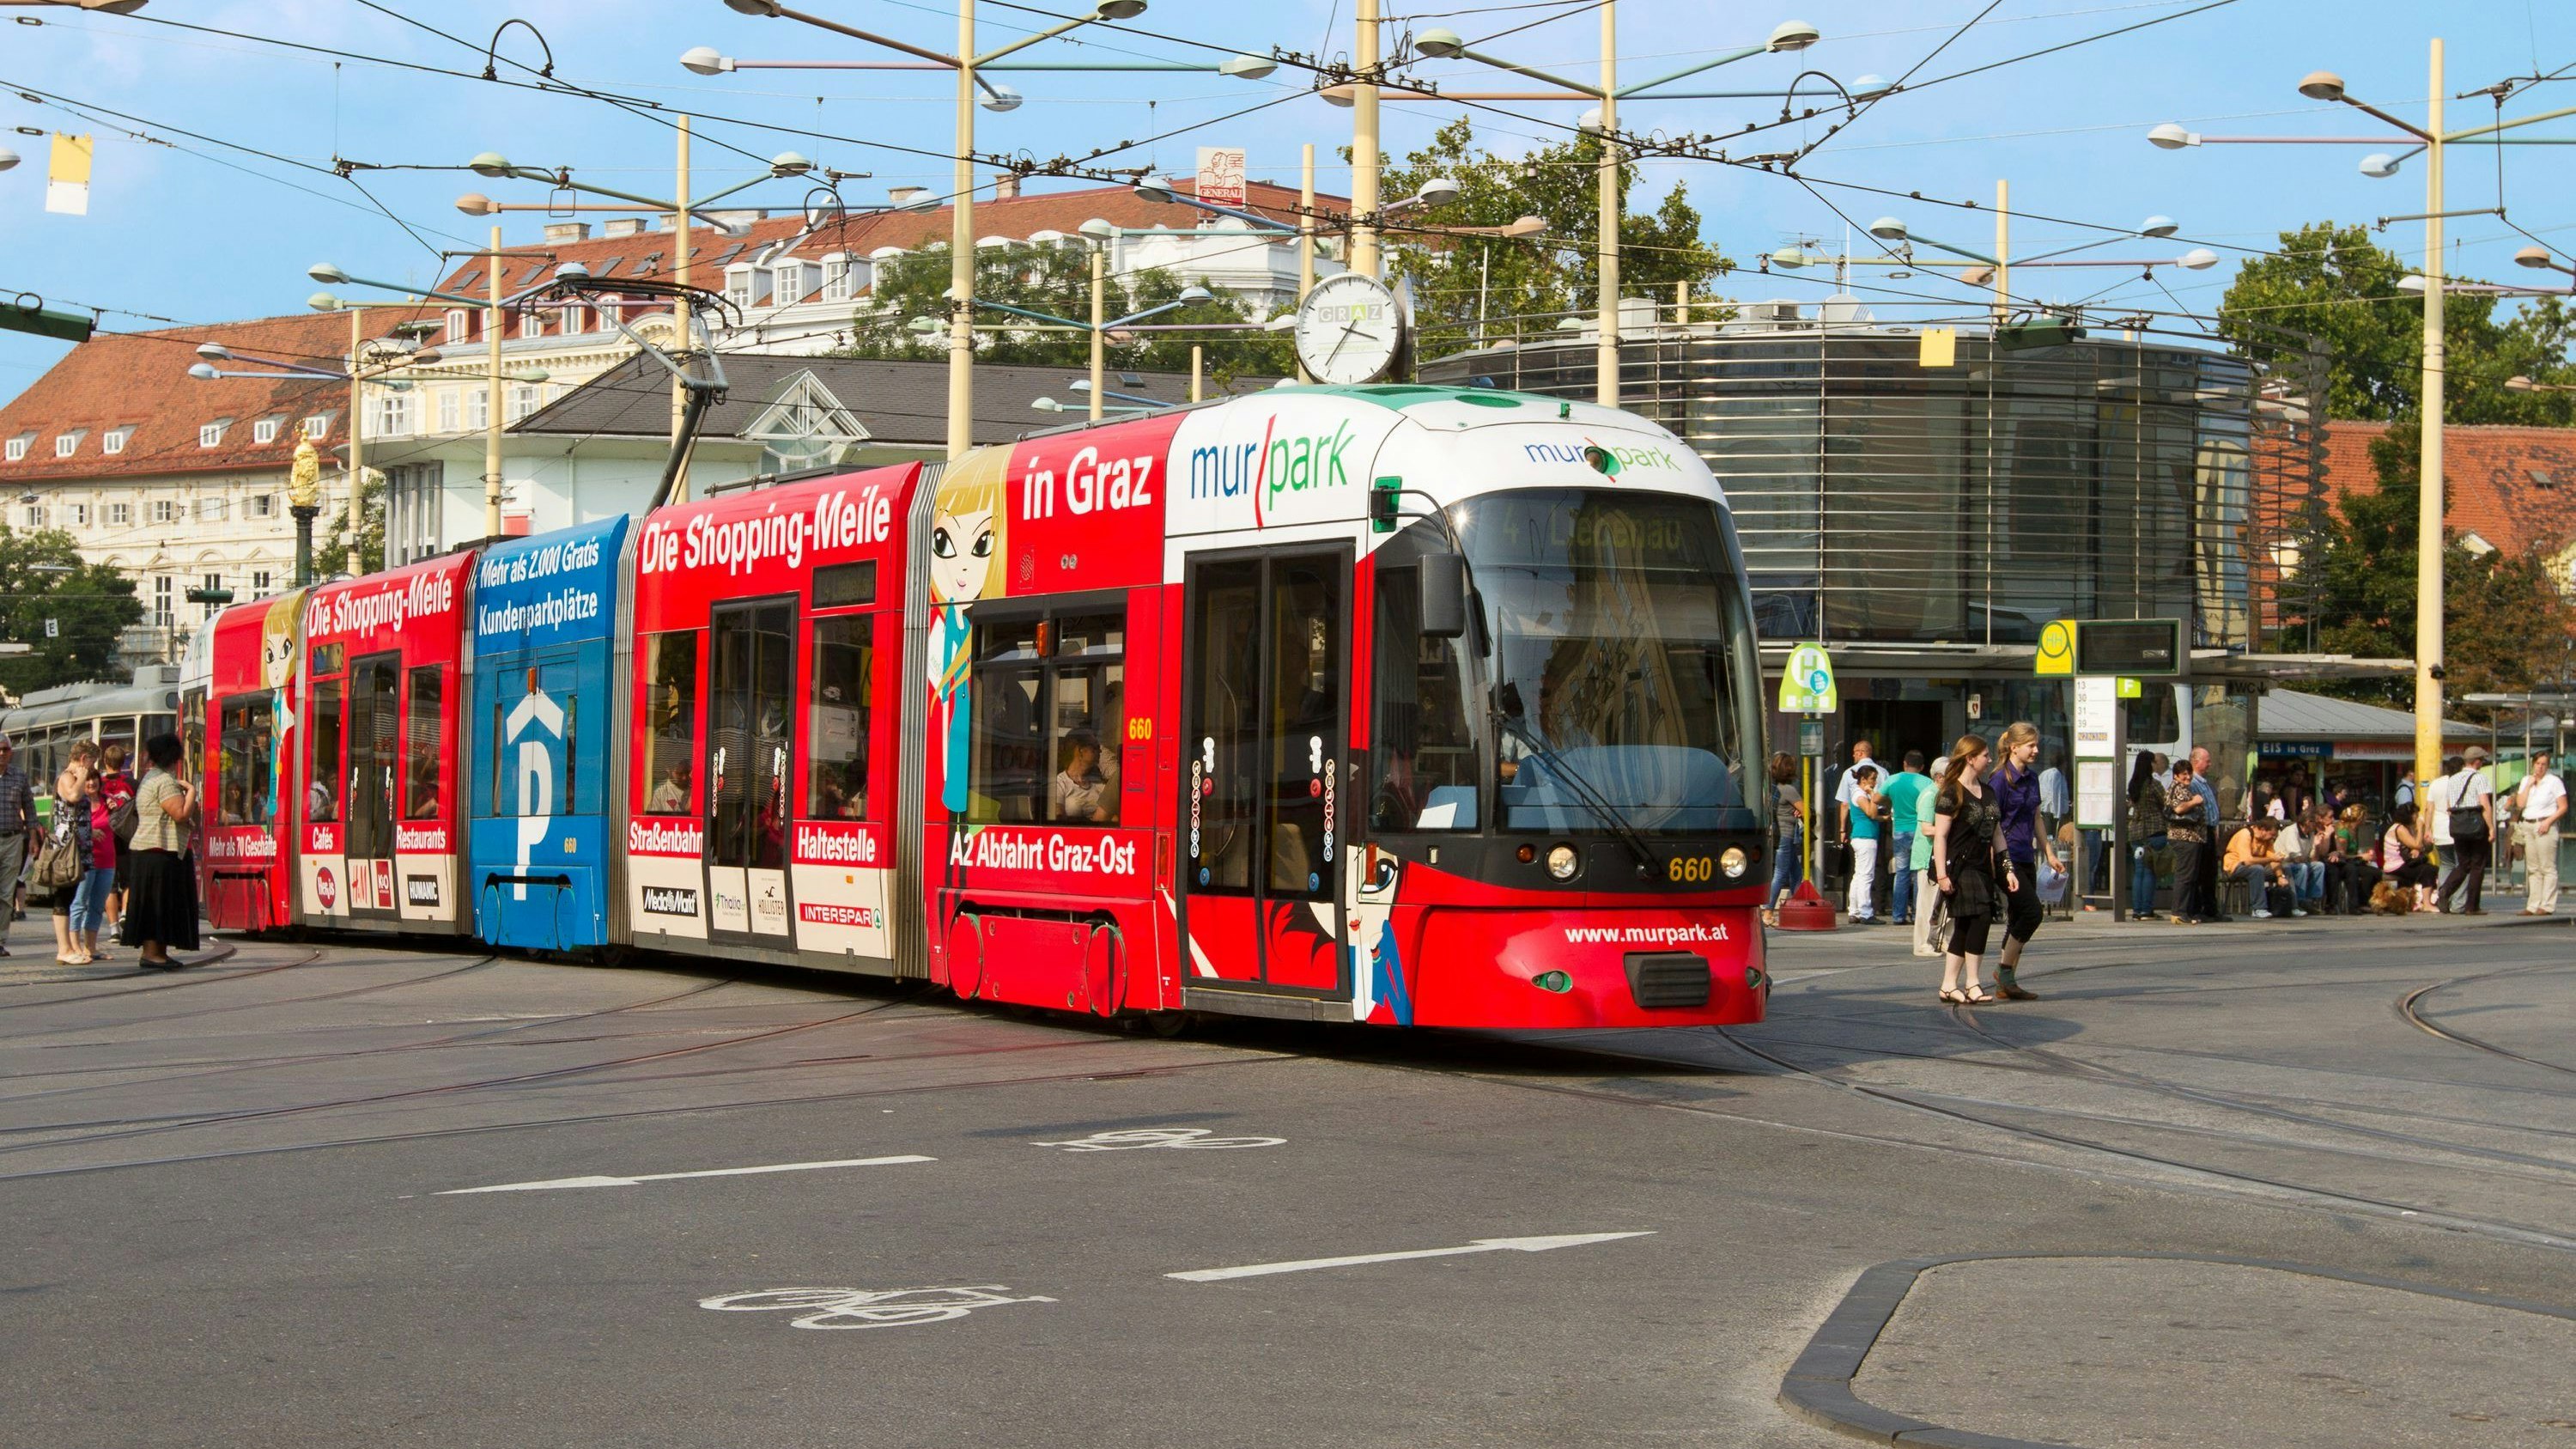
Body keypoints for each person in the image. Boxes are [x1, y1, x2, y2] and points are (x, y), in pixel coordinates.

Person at [1932, 734, 2014, 1004]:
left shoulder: (1988, 791)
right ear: (1970, 758)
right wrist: (1941, 875)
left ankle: (1948, 985)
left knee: (1966, 924)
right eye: (1985, 755)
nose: (1989, 760)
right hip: (1959, 867)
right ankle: (1973, 983)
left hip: (1982, 866)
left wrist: (2007, 868)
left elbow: (1997, 834)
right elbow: (1941, 836)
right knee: (1980, 917)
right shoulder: (1951, 792)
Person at [119, 733, 199, 970]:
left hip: (149, 851)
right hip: (159, 850)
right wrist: (192, 792)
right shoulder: (164, 781)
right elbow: (180, 814)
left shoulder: (150, 777)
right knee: (158, 905)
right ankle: (153, 954)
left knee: (156, 904)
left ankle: (157, 953)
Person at [1989, 721, 2056, 1000]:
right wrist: (1995, 860)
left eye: (2036, 745)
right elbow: (1992, 823)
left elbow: (2037, 818)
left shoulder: (2032, 778)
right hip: (2007, 857)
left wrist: (2049, 853)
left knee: (2018, 917)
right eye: (2031, 745)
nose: (2036, 750)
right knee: (2032, 913)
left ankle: (2007, 983)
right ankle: (2004, 971)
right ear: (2014, 747)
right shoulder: (1999, 780)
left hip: (2026, 855)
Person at [2434, 746, 2495, 915]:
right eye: (2482, 760)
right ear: (2477, 761)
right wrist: (2491, 828)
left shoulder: (2453, 779)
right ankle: (2472, 906)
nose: (2482, 763)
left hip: (2458, 825)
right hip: (2476, 826)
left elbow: (2449, 805)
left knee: (2463, 864)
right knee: (2477, 865)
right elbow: (2485, 805)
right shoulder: (2480, 778)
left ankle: (2445, 890)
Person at [46, 759, 95, 965]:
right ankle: (64, 949)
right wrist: (82, 777)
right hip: (66, 848)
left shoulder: (75, 778)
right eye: (92, 761)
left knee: (70, 896)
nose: (93, 767)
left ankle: (67, 949)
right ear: (83, 758)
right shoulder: (67, 777)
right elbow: (73, 797)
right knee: (64, 896)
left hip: (78, 848)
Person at [1883, 751, 1936, 928]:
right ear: (1922, 767)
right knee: (1919, 873)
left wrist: (1891, 801)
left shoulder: (1893, 780)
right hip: (1920, 832)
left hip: (1900, 831)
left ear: (1905, 763)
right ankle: (1917, 914)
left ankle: (1898, 915)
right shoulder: (1927, 783)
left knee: (1901, 873)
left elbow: (1876, 799)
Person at [1911, 756, 1953, 959]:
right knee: (1927, 904)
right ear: (1939, 777)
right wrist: (1951, 831)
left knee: (1946, 902)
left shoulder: (1943, 794)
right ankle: (1922, 944)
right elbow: (1926, 828)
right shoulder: (1930, 795)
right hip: (1928, 856)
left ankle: (1942, 939)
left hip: (1940, 856)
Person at [74, 763, 115, 961]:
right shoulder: (78, 802)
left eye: (94, 778)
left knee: (97, 906)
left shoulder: (107, 801)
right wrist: (89, 833)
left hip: (107, 861)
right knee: (79, 904)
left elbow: (120, 823)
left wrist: (117, 809)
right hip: (86, 861)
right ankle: (75, 948)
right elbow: (68, 828)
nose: (91, 782)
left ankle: (91, 948)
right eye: (87, 779)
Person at [2515, 751, 2565, 916]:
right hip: (2529, 824)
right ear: (2533, 764)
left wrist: (2549, 821)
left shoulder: (2554, 781)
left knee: (2547, 867)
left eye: (2544, 764)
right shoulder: (2526, 780)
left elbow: (2563, 806)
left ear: (2548, 766)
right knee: (2533, 867)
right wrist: (2529, 785)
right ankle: (2533, 904)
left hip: (2545, 824)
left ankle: (2547, 905)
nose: (2540, 767)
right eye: (2538, 764)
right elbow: (2520, 803)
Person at [2165, 756, 2211, 925]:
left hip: (2191, 838)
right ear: (2176, 775)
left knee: (2190, 876)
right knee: (2185, 876)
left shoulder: (2182, 787)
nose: (2188, 777)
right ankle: (2179, 913)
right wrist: (2195, 801)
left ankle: (2186, 912)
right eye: (2184, 774)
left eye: (2189, 773)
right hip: (2185, 838)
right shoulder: (2178, 788)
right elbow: (2178, 808)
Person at [2222, 817, 2295, 919]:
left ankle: (2293, 906)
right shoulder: (2245, 834)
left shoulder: (2267, 840)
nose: (2273, 838)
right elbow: (2247, 860)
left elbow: (2273, 859)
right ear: (2263, 830)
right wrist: (2271, 859)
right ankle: (2258, 908)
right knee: (2257, 869)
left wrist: (2280, 876)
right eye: (2272, 834)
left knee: (2285, 867)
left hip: (2257, 867)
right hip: (2235, 866)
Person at [1763, 752, 1805, 927]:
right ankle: (1768, 911)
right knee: (1780, 874)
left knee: (1796, 873)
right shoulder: (1789, 790)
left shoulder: (1773, 789)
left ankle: (1796, 909)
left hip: (1779, 835)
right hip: (1786, 836)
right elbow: (1807, 811)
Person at [2125, 752, 2168, 919]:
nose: (2156, 765)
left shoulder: (2133, 785)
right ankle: (2146, 910)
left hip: (2136, 833)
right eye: (2154, 762)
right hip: (2153, 832)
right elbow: (2166, 804)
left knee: (2139, 871)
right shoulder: (2154, 784)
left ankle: (2137, 910)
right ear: (2149, 764)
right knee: (2150, 871)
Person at [98, 741, 134, 935]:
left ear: (105, 761)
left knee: (110, 885)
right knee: (128, 881)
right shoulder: (132, 784)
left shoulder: (98, 784)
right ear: (123, 762)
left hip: (106, 838)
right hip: (127, 838)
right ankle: (125, 913)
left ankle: (113, 930)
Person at [0, 735, 32, 949]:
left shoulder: (19, 776)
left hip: (12, 840)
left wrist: (34, 838)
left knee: (6, 893)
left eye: (5, 749)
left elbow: (30, 809)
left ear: (11, 752)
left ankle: (0, 940)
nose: (2, 753)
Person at [2188, 746, 2226, 922]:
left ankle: (2211, 908)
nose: (2210, 764)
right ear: (2196, 762)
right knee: (2200, 871)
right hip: (2200, 831)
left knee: (2210, 872)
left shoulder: (2205, 782)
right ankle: (2197, 908)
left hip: (2210, 830)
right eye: (2207, 761)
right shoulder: (2193, 783)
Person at [1847, 764, 1886, 924]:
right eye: (1873, 779)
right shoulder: (1860, 794)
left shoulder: (1857, 793)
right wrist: (1872, 793)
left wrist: (1884, 818)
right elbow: (1871, 812)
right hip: (1866, 838)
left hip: (1860, 836)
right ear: (1863, 780)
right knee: (1866, 876)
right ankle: (1866, 912)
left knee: (1858, 875)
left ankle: (1854, 911)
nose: (1875, 782)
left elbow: (1871, 815)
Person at [2381, 802, 2437, 911]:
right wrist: (2420, 828)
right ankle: (2427, 904)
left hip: (2404, 863)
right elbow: (2417, 844)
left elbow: (2423, 847)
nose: (2417, 817)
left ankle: (2421, 900)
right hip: (2396, 865)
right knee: (2427, 870)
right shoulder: (2399, 828)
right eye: (2416, 814)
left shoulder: (2407, 828)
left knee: (2433, 868)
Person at [1050, 729, 1113, 824]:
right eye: (1095, 747)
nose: (1100, 751)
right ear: (1080, 751)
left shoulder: (1098, 781)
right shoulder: (1060, 783)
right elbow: (1058, 818)